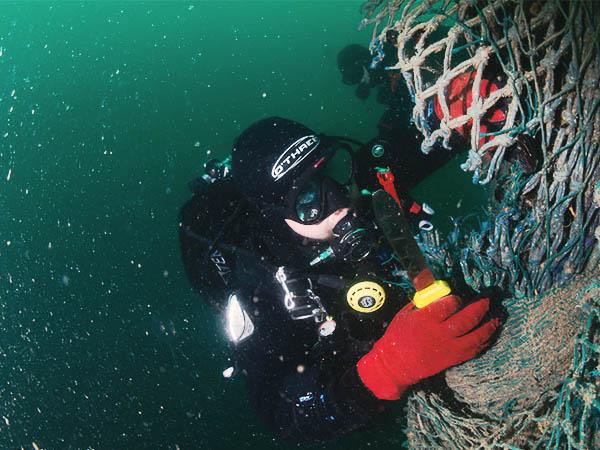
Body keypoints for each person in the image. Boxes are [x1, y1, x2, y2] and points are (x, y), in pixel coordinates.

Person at [179, 117, 500, 441]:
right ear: (275, 214)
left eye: (330, 173)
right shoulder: (259, 289)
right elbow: (282, 415)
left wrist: (462, 118)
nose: (339, 201)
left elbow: (435, 138)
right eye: (307, 198)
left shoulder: (361, 186)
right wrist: (387, 369)